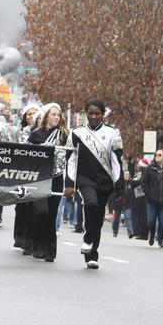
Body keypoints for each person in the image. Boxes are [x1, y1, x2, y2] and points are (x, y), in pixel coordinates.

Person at [64, 99, 124, 269]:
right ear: (86, 113)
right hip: (85, 178)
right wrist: (69, 184)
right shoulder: (76, 133)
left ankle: (92, 255)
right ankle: (88, 239)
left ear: (102, 114)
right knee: (90, 203)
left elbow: (117, 162)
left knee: (97, 217)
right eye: (90, 113)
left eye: (97, 113)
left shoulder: (113, 133)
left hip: (104, 181)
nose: (93, 116)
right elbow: (71, 160)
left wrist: (119, 185)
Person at [25, 102, 68, 260]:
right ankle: (37, 245)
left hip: (56, 178)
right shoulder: (36, 134)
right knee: (40, 212)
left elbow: (70, 157)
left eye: (58, 115)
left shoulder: (64, 135)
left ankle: (50, 251)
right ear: (46, 116)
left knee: (51, 215)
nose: (56, 117)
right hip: (39, 178)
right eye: (53, 114)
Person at [12, 102, 41, 251]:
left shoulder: (44, 132)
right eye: (29, 114)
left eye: (34, 113)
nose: (31, 116)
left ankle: (32, 238)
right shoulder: (18, 132)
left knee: (35, 208)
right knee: (22, 206)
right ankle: (20, 237)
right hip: (22, 174)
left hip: (39, 175)